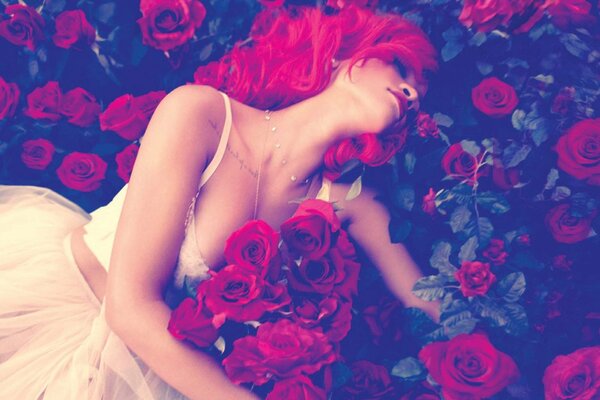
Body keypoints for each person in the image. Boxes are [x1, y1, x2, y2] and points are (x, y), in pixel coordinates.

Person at [0, 4, 439, 400]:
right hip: (49, 314)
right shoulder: (203, 114)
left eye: (418, 89)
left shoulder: (351, 201)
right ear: (340, 55)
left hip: (158, 368)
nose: (411, 92)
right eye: (400, 67)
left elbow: (430, 305)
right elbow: (129, 307)